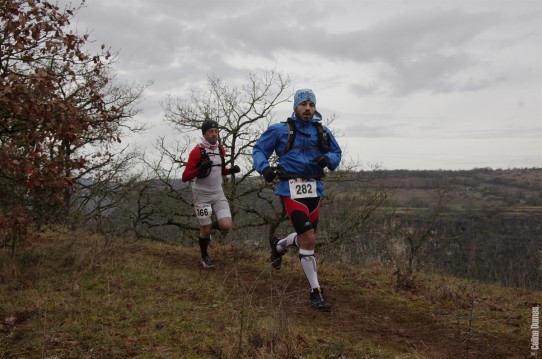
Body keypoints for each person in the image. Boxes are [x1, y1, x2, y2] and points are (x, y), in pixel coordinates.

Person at [252, 88, 342, 311]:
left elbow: (337, 153)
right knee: (309, 238)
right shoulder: (281, 130)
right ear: (296, 107)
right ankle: (315, 292)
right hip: (290, 188)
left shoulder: (322, 131)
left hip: (314, 189)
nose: (308, 109)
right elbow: (259, 150)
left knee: (306, 237)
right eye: (304, 105)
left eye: (312, 105)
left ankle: (280, 245)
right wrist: (264, 169)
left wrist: (327, 158)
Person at [182, 119, 240, 269]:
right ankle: (204, 256)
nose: (214, 134)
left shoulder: (220, 149)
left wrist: (230, 171)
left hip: (218, 192)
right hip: (201, 194)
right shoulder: (197, 151)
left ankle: (206, 229)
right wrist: (198, 170)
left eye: (216, 131)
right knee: (206, 229)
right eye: (211, 131)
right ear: (204, 133)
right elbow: (185, 177)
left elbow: (220, 171)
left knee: (226, 225)